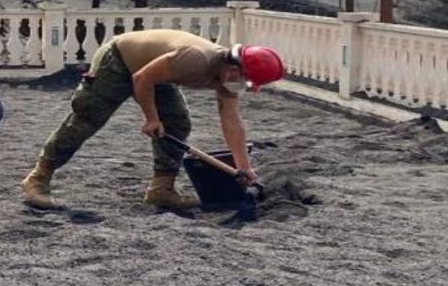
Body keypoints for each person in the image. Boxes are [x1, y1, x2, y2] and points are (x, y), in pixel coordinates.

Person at [21, 30, 284, 210]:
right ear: (235, 69)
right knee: (88, 118)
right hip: (119, 61)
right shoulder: (195, 60)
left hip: (154, 71)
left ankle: (162, 189)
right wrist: (151, 118)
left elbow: (231, 121)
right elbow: (141, 79)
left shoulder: (230, 78)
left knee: (177, 123)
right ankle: (38, 179)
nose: (248, 87)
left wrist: (243, 167)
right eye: (249, 82)